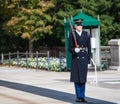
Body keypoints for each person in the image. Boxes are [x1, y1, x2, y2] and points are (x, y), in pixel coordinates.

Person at [68, 19, 91, 103]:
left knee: (83, 79)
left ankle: (83, 96)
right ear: (75, 26)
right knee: (77, 79)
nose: (80, 27)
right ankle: (78, 96)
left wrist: (88, 60)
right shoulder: (72, 34)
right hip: (76, 59)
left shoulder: (86, 34)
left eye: (81, 25)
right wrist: (74, 50)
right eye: (78, 25)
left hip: (84, 58)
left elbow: (89, 48)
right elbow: (69, 48)